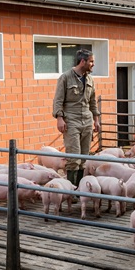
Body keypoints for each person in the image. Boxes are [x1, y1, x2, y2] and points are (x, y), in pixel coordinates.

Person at [51, 48, 101, 189]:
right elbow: (58, 100)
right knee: (73, 157)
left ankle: (80, 189)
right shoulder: (65, 77)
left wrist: (96, 120)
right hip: (71, 120)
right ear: (82, 61)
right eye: (91, 61)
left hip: (86, 119)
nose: (93, 64)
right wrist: (59, 118)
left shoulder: (90, 79)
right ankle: (71, 191)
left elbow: (92, 101)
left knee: (84, 157)